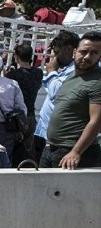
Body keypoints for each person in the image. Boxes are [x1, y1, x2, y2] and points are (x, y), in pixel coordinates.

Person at [41, 31, 101, 169]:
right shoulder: (71, 76)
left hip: (73, 154)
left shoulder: (97, 81)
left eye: (94, 53)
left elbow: (97, 121)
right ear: (74, 52)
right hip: (51, 149)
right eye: (83, 51)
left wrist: (76, 152)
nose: (86, 57)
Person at [35, 30, 80, 161]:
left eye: (57, 52)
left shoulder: (75, 70)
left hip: (61, 142)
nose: (54, 57)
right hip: (48, 134)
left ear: (68, 49)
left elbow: (56, 93)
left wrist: (52, 71)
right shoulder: (67, 69)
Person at [5, 44, 42, 165]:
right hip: (31, 114)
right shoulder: (38, 73)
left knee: (12, 147)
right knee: (29, 147)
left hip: (17, 117)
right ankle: (31, 168)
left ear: (16, 57)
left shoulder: (12, 76)